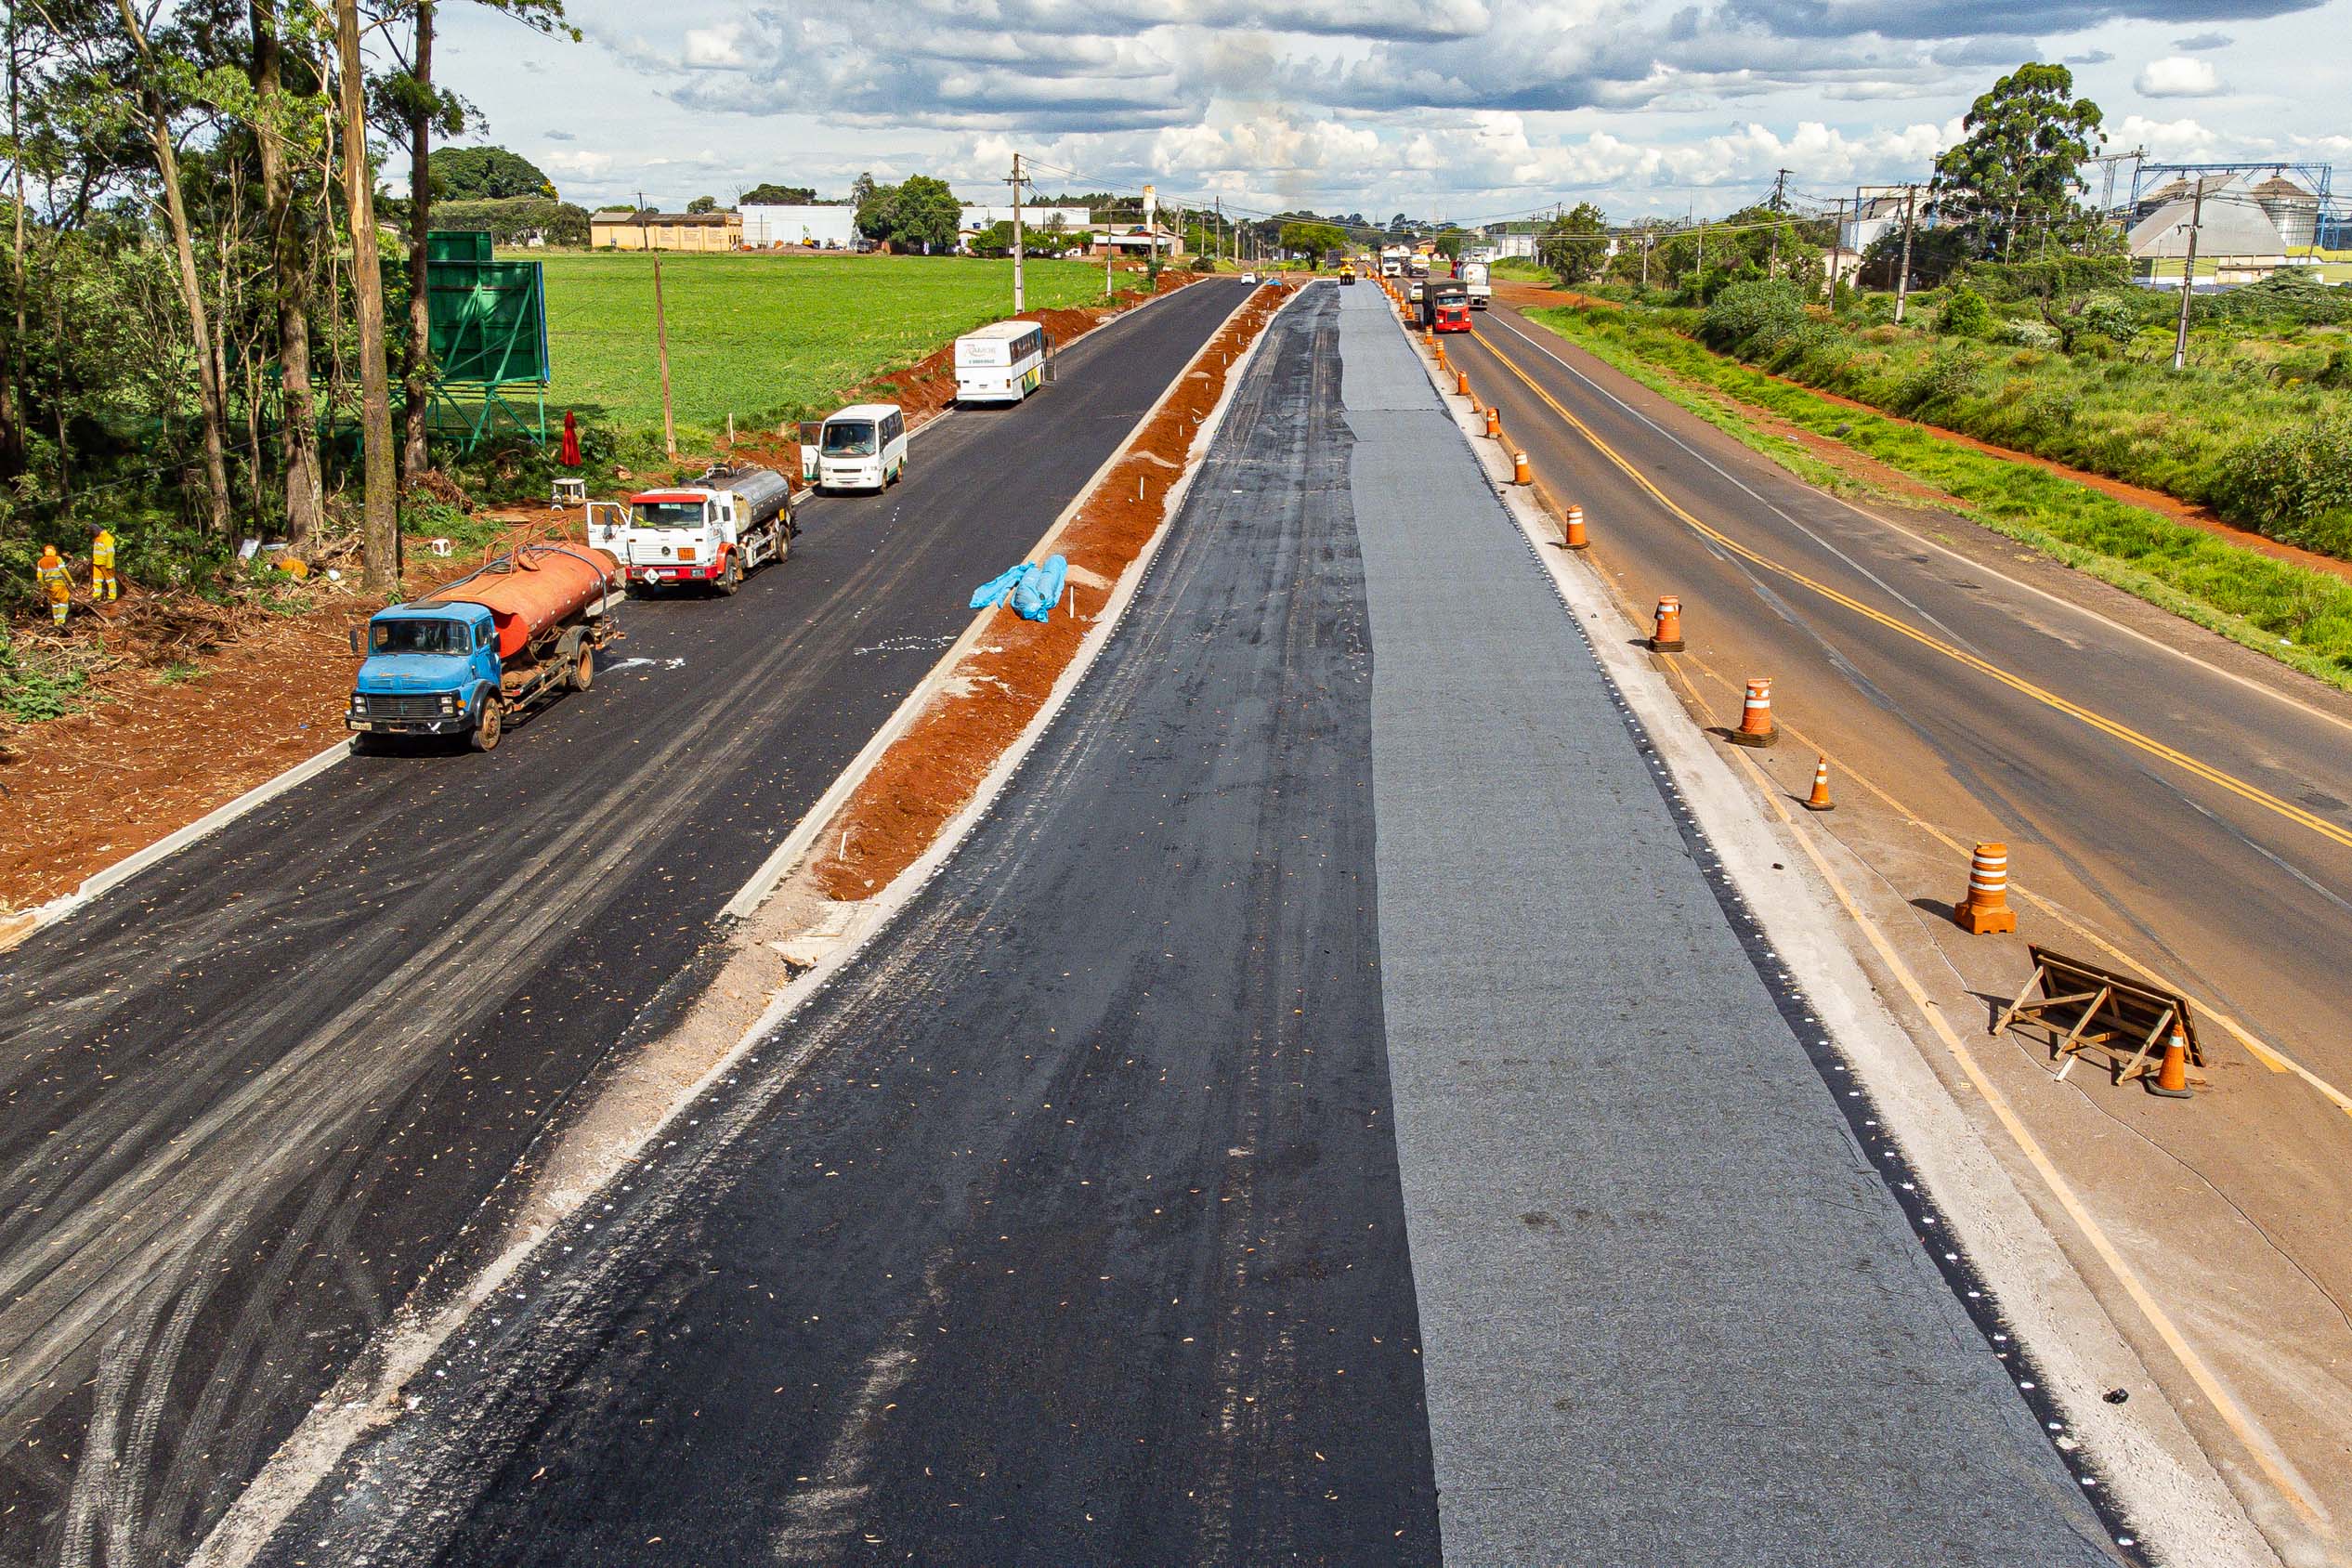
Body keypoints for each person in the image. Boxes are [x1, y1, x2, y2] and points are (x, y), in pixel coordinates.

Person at [35, 543, 72, 628]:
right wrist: (71, 581)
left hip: (49, 586)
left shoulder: (40, 562)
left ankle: (55, 621)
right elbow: (64, 571)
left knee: (54, 603)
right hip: (59, 584)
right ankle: (61, 621)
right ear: (54, 551)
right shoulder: (57, 559)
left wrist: (43, 586)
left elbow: (39, 576)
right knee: (63, 601)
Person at [89, 525, 119, 603]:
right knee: (96, 581)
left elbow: (110, 552)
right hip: (97, 563)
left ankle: (112, 597)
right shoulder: (97, 537)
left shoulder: (106, 537)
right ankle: (97, 597)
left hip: (105, 563)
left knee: (110, 580)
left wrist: (109, 564)